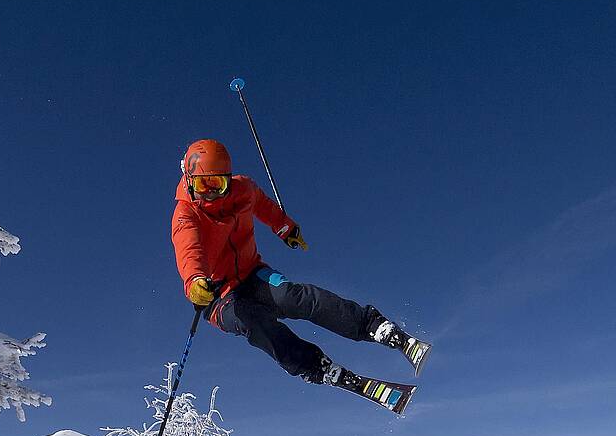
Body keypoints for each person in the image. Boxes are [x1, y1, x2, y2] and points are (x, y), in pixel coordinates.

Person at [170, 139, 429, 407]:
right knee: (256, 324)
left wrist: (285, 228)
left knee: (295, 297)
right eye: (203, 185)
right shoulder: (185, 215)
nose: (211, 193)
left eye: (218, 185)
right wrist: (195, 282)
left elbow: (263, 204)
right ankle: (315, 366)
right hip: (218, 295)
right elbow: (189, 251)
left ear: (228, 180)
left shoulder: (243, 189)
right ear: (189, 180)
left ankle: (373, 326)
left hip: (252, 273)